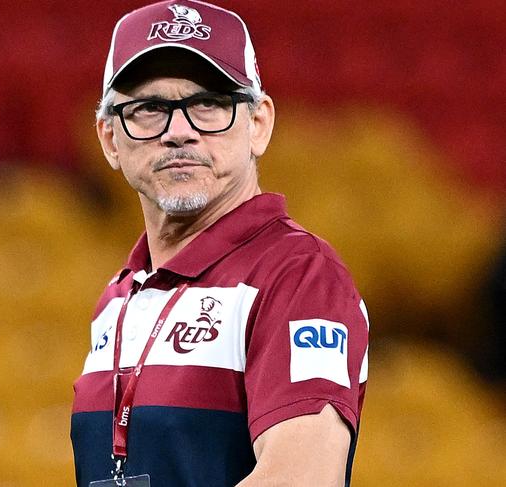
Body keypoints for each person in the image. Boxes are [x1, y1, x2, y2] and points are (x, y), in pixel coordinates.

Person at [71, 1, 369, 486]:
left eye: (208, 103)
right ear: (109, 139)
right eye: (149, 109)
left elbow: (302, 479)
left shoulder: (297, 275)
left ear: (258, 124)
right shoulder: (119, 297)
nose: (179, 131)